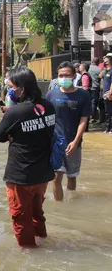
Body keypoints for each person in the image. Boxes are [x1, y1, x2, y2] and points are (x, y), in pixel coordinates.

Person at [0, 67, 56, 248]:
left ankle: (30, 255)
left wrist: (13, 128)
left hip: (21, 175)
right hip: (43, 173)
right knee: (37, 213)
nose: (9, 90)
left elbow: (0, 137)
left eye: (11, 86)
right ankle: (43, 240)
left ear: (21, 89)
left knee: (21, 218)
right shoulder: (48, 106)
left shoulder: (14, 112)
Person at [46, 61, 92, 201]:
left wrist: (75, 140)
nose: (64, 78)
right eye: (61, 75)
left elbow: (84, 120)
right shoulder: (50, 95)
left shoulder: (83, 95)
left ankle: (72, 199)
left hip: (74, 143)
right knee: (56, 177)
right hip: (56, 144)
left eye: (67, 75)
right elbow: (47, 119)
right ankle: (59, 207)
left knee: (71, 177)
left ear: (74, 76)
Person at [88, 57, 102, 122]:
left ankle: (90, 116)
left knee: (89, 102)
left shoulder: (88, 68)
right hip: (95, 87)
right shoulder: (99, 70)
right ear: (98, 62)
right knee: (94, 102)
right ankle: (93, 117)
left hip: (88, 87)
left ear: (92, 61)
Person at [102, 56, 112, 133]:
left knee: (111, 112)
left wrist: (110, 93)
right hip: (104, 93)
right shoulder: (105, 71)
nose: (104, 62)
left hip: (109, 94)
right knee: (107, 112)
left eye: (105, 60)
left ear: (109, 62)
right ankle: (107, 128)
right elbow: (99, 76)